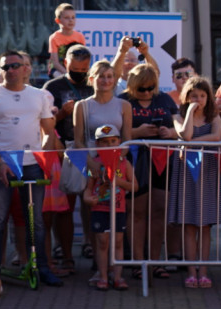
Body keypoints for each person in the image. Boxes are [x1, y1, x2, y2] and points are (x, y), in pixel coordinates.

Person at [0, 51, 61, 285]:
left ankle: (41, 268)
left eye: (15, 66)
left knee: (36, 221)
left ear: (26, 69)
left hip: (32, 165)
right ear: (0, 71)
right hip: (0, 165)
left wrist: (44, 158)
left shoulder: (39, 96)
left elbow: (48, 131)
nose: (11, 70)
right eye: (6, 67)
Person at [121, 63, 178, 278]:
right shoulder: (124, 100)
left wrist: (170, 132)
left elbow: (180, 125)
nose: (146, 93)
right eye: (141, 89)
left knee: (159, 211)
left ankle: (155, 261)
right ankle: (137, 262)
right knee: (137, 212)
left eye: (150, 88)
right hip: (134, 160)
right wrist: (138, 132)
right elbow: (116, 134)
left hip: (163, 159)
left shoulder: (164, 99)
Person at [42, 43, 94, 272]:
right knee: (64, 207)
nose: (81, 73)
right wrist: (63, 113)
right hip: (62, 151)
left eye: (84, 69)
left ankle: (92, 247)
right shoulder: (52, 86)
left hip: (91, 151)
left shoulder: (94, 84)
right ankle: (65, 253)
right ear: (65, 64)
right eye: (76, 69)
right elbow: (45, 121)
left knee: (92, 202)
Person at [169, 75, 221, 289]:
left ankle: (204, 270)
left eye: (202, 96)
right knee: (189, 225)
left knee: (205, 225)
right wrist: (190, 112)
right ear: (186, 97)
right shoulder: (178, 115)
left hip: (207, 171)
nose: (198, 100)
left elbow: (217, 136)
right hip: (186, 173)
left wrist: (191, 143)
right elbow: (185, 133)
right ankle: (191, 271)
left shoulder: (214, 117)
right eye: (193, 96)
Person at [83, 124, 134, 291]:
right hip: (100, 210)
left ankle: (118, 277)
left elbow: (135, 186)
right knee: (102, 242)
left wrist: (119, 182)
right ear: (97, 144)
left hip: (118, 209)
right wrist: (89, 199)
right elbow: (88, 189)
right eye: (104, 142)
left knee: (118, 242)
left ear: (119, 142)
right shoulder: (95, 165)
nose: (110, 144)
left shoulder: (124, 163)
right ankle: (103, 276)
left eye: (113, 140)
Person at [47, 3, 86, 77]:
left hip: (73, 69)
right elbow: (55, 63)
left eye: (73, 17)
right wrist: (68, 74)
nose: (70, 20)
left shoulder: (80, 37)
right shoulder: (54, 38)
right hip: (57, 69)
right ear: (58, 20)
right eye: (67, 18)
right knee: (60, 78)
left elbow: (83, 59)